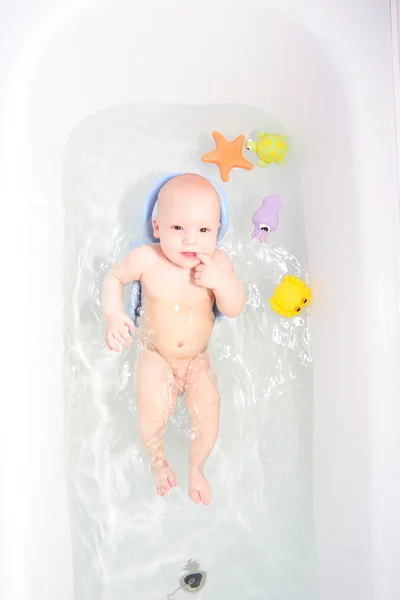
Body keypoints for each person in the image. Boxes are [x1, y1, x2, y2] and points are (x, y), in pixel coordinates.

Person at [102, 173, 246, 505]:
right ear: (157, 227)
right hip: (157, 355)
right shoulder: (147, 259)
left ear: (217, 230)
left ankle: (197, 468)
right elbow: (114, 276)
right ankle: (157, 461)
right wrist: (113, 314)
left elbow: (235, 306)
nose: (190, 241)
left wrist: (220, 282)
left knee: (209, 409)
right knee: (152, 411)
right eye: (178, 228)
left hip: (197, 358)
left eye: (204, 231)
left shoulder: (218, 264)